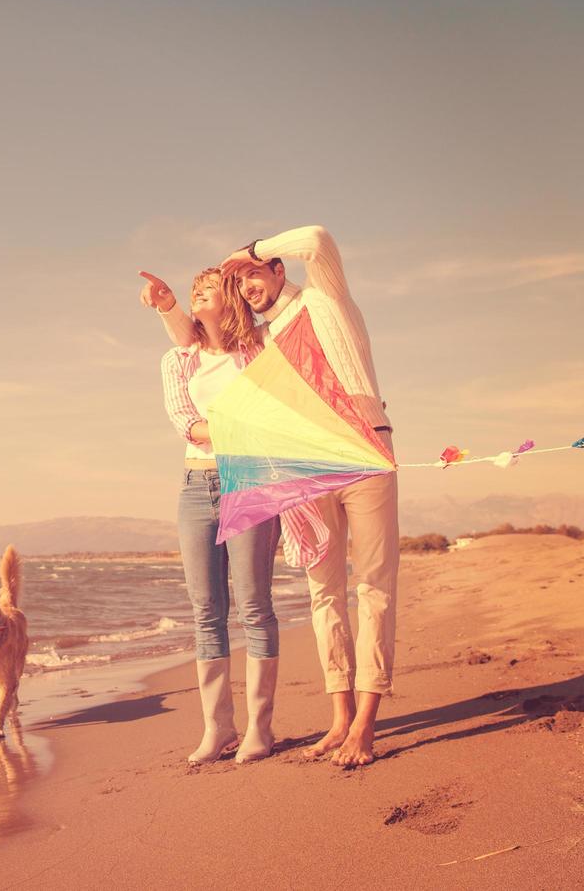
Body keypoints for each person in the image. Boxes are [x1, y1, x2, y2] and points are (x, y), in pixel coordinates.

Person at [144, 225, 398, 768]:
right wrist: (169, 309)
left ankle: (360, 723)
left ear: (279, 268)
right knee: (321, 590)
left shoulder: (317, 302)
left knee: (368, 586)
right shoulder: (265, 337)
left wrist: (250, 253)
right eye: (240, 280)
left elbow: (320, 241)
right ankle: (332, 719)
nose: (248, 283)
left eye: (254, 275)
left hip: (359, 451)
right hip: (292, 469)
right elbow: (191, 347)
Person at [144, 265, 282, 765]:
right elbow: (189, 424)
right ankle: (218, 728)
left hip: (251, 483)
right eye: (194, 290)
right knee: (207, 611)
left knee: (254, 607)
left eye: (208, 288)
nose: (196, 294)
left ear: (231, 298)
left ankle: (259, 730)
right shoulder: (177, 360)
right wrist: (242, 428)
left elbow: (272, 409)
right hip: (195, 485)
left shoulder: (259, 350)